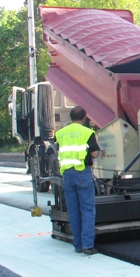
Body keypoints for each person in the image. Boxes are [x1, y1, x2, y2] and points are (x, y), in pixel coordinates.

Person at [55, 106, 100, 255]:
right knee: (87, 210)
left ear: (70, 117)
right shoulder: (87, 132)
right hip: (82, 172)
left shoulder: (60, 133)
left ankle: (78, 245)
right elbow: (94, 154)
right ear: (84, 117)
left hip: (67, 174)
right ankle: (88, 246)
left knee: (73, 211)